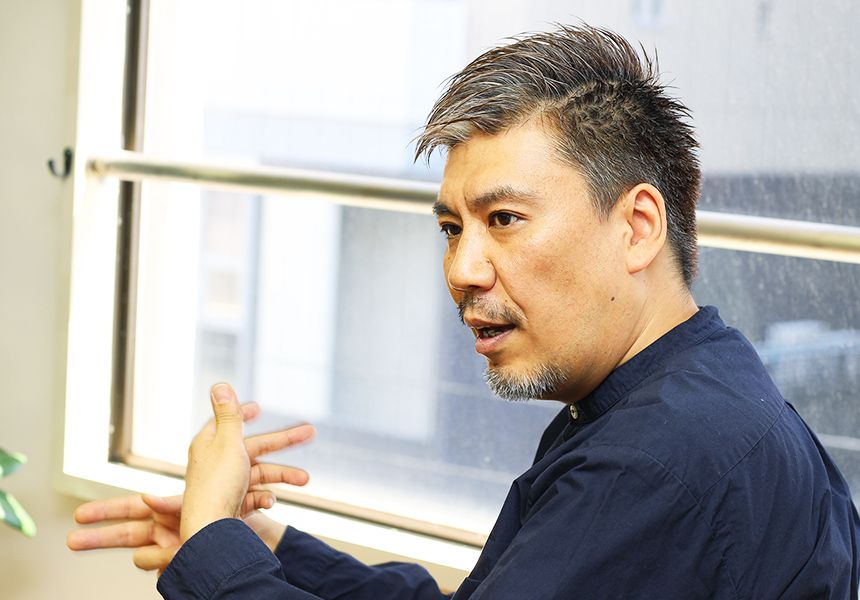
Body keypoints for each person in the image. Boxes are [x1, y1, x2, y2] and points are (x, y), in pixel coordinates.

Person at [68, 24, 860, 599]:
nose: (460, 270)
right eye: (451, 228)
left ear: (638, 226)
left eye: (504, 220)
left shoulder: (651, 467)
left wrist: (214, 547)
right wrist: (262, 546)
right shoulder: (697, 392)